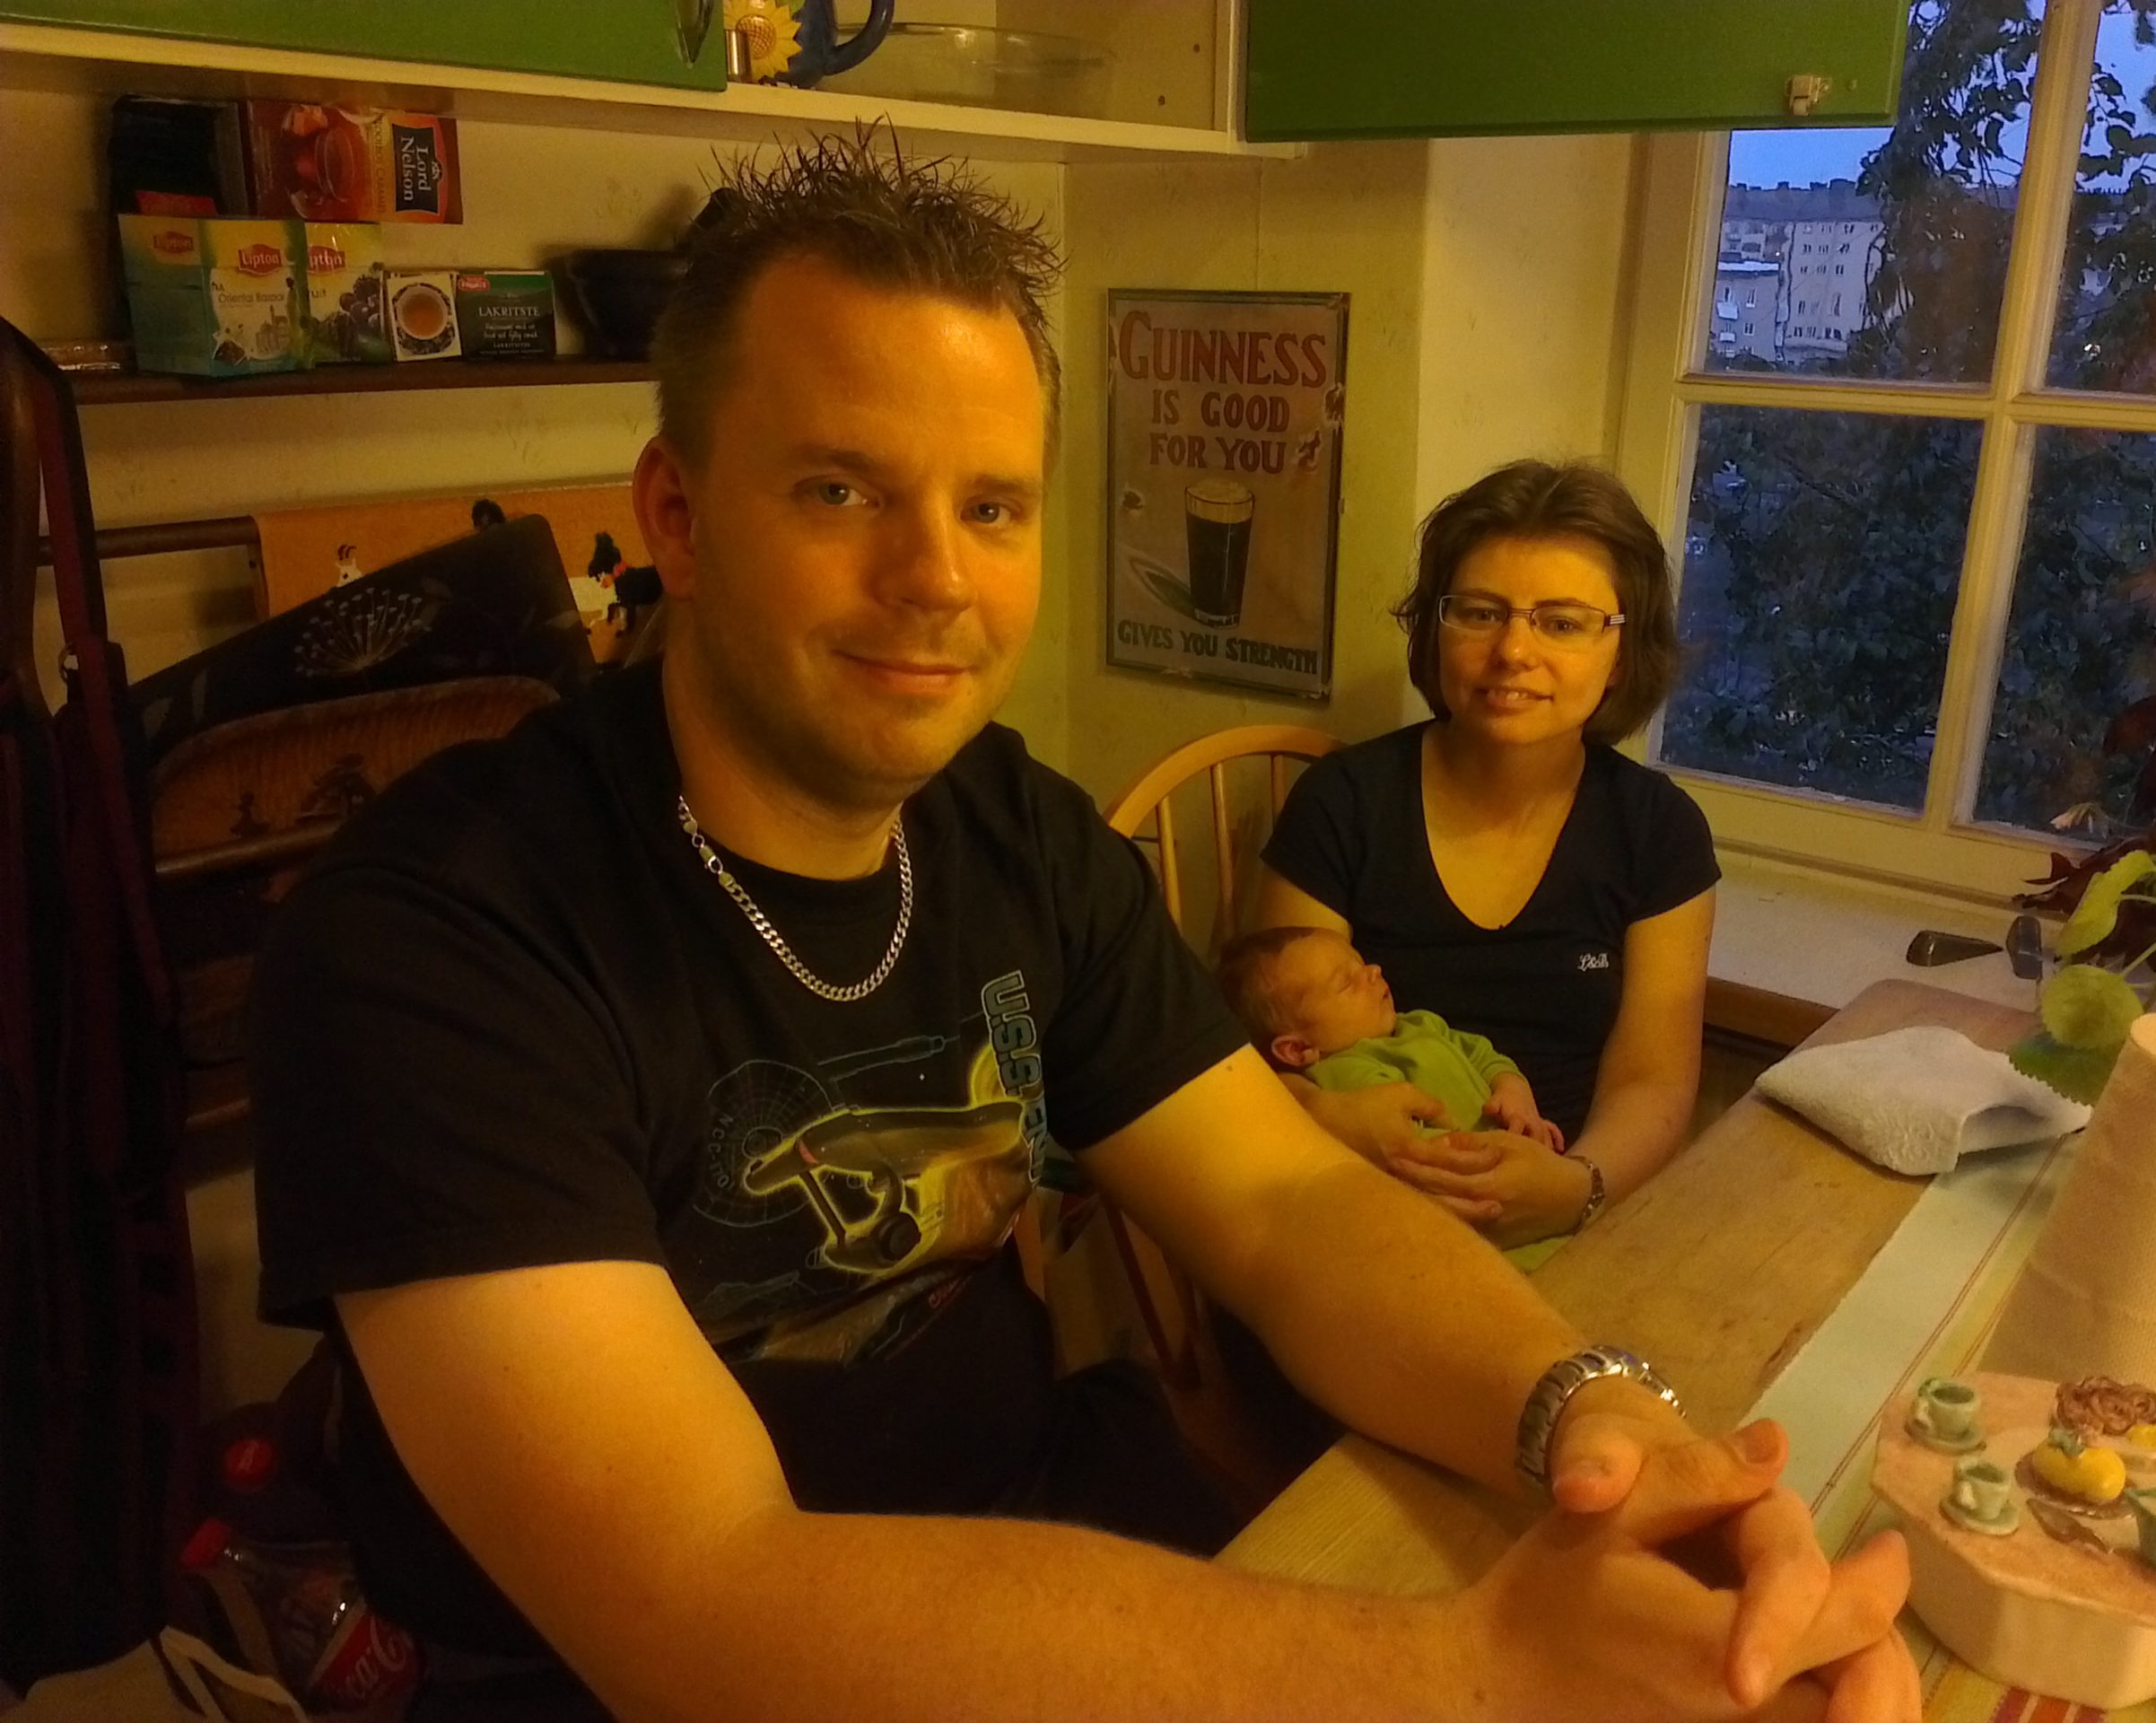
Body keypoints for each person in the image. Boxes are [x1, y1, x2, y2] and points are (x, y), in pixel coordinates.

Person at [249, 136, 1916, 1722]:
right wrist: (1468, 1681)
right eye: (840, 490)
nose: (936, 579)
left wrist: (1606, 1431)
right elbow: (699, 1604)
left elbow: (1284, 1204)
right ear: (677, 516)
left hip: (1037, 1534)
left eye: (992, 507)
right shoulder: (432, 937)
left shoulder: (1014, 831)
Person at [1255, 459, 1718, 1246]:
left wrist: (1576, 1187)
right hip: (1357, 1209)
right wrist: (1333, 1121)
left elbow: (1653, 1083)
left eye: (1562, 623)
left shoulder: (1659, 831)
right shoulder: (1343, 804)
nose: (1513, 651)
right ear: (1435, 628)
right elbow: (1267, 1053)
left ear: (1622, 653)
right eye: (1479, 613)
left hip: (1569, 1216)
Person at [1216, 925, 1564, 1152]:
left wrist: (1511, 1088)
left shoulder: (1418, 1023)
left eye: (1361, 963)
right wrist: (1510, 1153)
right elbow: (1410, 1144)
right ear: (1298, 1048)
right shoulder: (1346, 1074)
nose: (1373, 971)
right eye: (1346, 983)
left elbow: (1483, 1054)